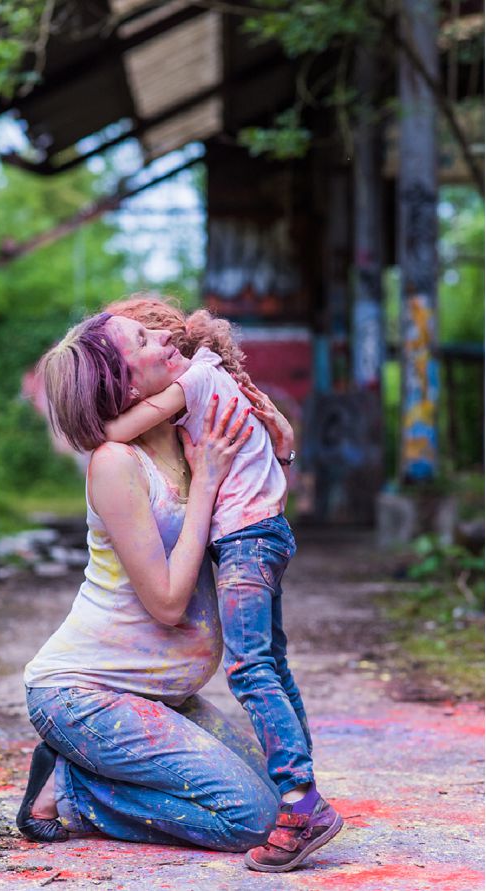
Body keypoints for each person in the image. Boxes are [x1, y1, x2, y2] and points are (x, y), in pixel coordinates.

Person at [93, 296, 342, 872]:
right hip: (264, 534)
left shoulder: (197, 379)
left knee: (249, 667)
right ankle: (301, 790)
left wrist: (108, 406)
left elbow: (112, 431)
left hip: (245, 541)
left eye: (158, 343)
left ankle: (302, 802)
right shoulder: (216, 378)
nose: (162, 353)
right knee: (271, 663)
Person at [17, 306, 278, 855]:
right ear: (124, 382)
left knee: (278, 801)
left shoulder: (192, 437)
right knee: (250, 821)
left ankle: (84, 764)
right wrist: (205, 482)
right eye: (144, 338)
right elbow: (165, 603)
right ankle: (70, 790)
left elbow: (260, 487)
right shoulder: (117, 463)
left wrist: (275, 433)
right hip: (87, 694)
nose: (166, 334)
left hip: (162, 696)